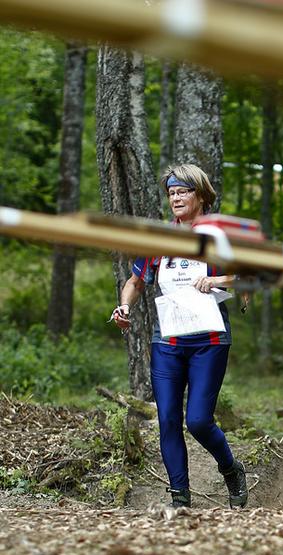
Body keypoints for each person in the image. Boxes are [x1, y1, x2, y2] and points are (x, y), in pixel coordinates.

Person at [110, 164, 248, 509]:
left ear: (200, 195)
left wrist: (217, 281)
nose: (175, 198)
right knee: (168, 418)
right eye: (171, 193)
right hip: (168, 340)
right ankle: (180, 496)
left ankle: (231, 469)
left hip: (209, 339)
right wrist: (124, 307)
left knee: (199, 420)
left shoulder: (219, 237)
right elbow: (135, 281)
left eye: (182, 191)